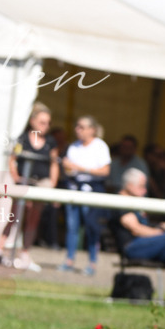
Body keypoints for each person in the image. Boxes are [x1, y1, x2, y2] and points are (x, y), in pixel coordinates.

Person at [0, 103, 59, 271]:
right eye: (42, 122)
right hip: (24, 181)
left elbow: (54, 164)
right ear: (33, 121)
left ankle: (25, 253)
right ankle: (0, 248)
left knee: (33, 218)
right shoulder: (22, 139)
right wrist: (16, 177)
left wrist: (52, 184)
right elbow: (12, 160)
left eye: (48, 123)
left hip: (41, 182)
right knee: (15, 215)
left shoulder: (50, 142)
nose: (45, 126)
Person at [112, 168, 165, 305]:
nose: (145, 191)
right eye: (141, 187)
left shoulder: (137, 201)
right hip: (132, 247)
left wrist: (159, 227)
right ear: (129, 185)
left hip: (146, 245)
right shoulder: (120, 201)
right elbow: (136, 229)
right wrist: (162, 233)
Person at [59, 115, 111, 276]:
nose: (77, 130)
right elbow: (69, 169)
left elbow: (105, 171)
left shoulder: (100, 146)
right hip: (74, 188)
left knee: (91, 227)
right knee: (72, 226)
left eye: (81, 127)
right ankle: (69, 259)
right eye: (77, 126)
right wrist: (67, 167)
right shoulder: (74, 146)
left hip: (92, 189)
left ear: (92, 130)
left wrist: (79, 168)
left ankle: (92, 262)